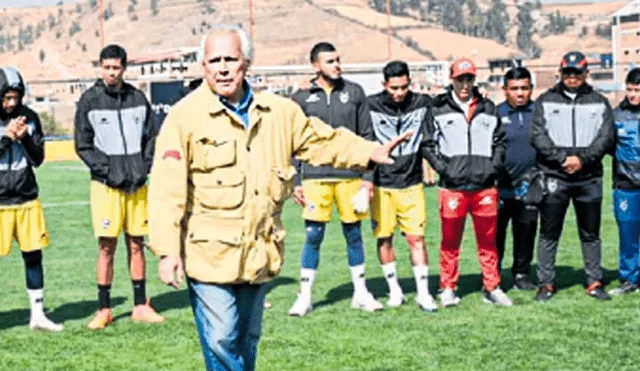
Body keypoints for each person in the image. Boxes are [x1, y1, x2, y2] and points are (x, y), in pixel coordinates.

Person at [147, 25, 410, 371]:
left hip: (260, 251)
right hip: (207, 254)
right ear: (203, 66)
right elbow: (166, 190)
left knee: (247, 336)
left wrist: (370, 150)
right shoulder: (184, 117)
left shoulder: (279, 112)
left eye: (231, 59)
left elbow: (322, 140)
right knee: (222, 336)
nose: (223, 68)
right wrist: (167, 251)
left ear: (247, 63)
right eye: (214, 60)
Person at [287, 42, 383, 316]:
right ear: (315, 66)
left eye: (338, 60)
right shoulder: (302, 97)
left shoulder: (354, 92)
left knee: (353, 234)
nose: (337, 65)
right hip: (315, 179)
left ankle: (361, 293)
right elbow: (294, 141)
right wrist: (295, 181)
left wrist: (367, 179)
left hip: (350, 177)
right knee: (313, 235)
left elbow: (367, 137)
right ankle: (304, 296)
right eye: (330, 61)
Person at [74, 44, 163, 330]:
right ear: (101, 67)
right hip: (106, 188)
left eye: (116, 68)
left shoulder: (138, 97)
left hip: (137, 186)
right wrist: (109, 171)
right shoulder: (89, 100)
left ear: (124, 68)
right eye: (106, 68)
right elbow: (83, 145)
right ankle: (104, 309)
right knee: (106, 247)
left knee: (137, 243)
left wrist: (143, 167)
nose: (111, 73)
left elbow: (152, 137)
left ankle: (140, 305)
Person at [423, 57, 513, 307]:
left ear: (474, 79)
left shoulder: (489, 107)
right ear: (451, 79)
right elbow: (428, 145)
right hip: (452, 188)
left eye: (469, 78)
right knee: (450, 242)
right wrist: (444, 169)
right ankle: (448, 287)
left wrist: (492, 168)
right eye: (460, 79)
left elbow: (500, 142)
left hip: (485, 188)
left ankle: (492, 287)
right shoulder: (438, 108)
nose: (465, 84)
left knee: (488, 242)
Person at [530, 51, 614, 302]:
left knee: (590, 233)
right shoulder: (545, 100)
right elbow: (538, 136)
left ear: (586, 73)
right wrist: (562, 159)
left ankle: (594, 281)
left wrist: (583, 159)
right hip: (555, 176)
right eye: (568, 72)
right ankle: (546, 284)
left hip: (589, 179)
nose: (572, 77)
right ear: (561, 72)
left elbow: (606, 137)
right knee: (548, 232)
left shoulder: (600, 101)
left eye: (577, 72)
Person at [367, 60, 437, 311]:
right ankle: (394, 289)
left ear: (410, 83)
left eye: (403, 87)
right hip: (382, 185)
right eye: (393, 88)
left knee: (416, 239)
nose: (398, 93)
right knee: (384, 238)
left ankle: (423, 293)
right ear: (384, 84)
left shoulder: (423, 103)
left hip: (411, 184)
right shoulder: (370, 105)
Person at [0, 67, 63, 332]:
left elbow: (37, 159)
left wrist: (24, 137)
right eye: (6, 98)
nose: (12, 103)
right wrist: (6, 138)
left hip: (26, 198)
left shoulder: (31, 117)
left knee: (33, 257)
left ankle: (37, 314)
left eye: (16, 97)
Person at [495, 67, 538, 290]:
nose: (520, 93)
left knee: (526, 232)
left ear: (531, 88)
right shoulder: (494, 114)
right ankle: (494, 277)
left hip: (529, 186)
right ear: (505, 90)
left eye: (524, 88)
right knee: (496, 236)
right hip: (500, 188)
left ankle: (521, 275)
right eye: (514, 89)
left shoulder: (539, 112)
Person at [609, 68, 640, 295]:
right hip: (626, 187)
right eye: (629, 89)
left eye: (637, 90)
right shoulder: (617, 115)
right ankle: (629, 280)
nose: (632, 94)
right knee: (628, 236)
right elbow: (609, 146)